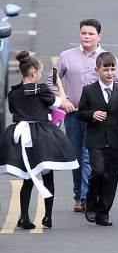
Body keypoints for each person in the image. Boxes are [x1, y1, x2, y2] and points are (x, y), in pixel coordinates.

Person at [0, 50, 78, 230]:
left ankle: (24, 218)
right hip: (42, 135)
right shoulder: (41, 89)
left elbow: (14, 112)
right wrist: (59, 86)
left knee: (28, 176)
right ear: (33, 72)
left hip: (21, 135)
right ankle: (48, 217)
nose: (40, 75)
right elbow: (62, 105)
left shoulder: (14, 93)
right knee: (47, 176)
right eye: (40, 72)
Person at [58, 19, 118, 213]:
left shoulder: (107, 58)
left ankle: (87, 197)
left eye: (91, 34)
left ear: (99, 36)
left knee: (88, 157)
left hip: (97, 117)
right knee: (76, 156)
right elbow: (53, 80)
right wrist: (63, 100)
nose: (87, 37)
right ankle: (78, 195)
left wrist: (109, 107)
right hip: (75, 114)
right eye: (83, 33)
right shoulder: (67, 56)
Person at [77, 52, 118, 227]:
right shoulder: (89, 91)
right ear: (97, 70)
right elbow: (80, 114)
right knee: (98, 172)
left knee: (111, 177)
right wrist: (92, 115)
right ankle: (90, 203)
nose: (110, 73)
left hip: (113, 142)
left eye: (112, 69)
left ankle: (103, 212)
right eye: (106, 69)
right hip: (95, 140)